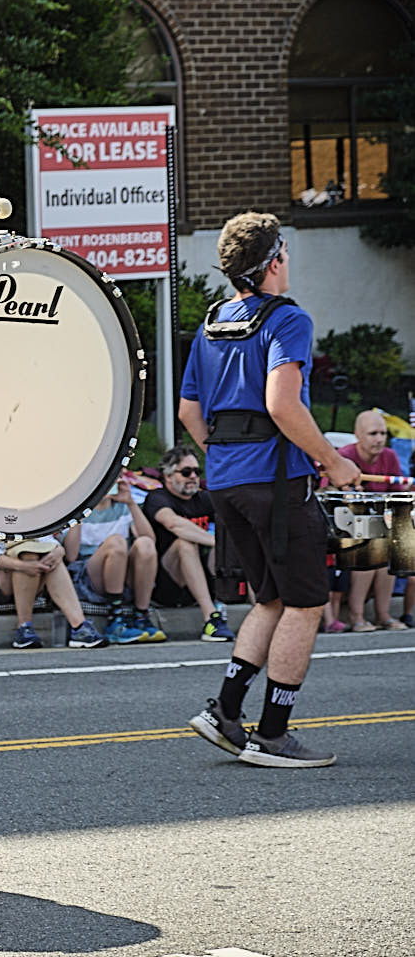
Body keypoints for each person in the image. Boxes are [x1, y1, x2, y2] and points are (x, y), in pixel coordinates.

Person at [182, 211, 359, 769]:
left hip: (226, 482)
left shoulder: (212, 323)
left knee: (271, 599)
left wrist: (226, 455)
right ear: (275, 260)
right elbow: (283, 404)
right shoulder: (288, 319)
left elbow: (189, 412)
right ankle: (274, 736)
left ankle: (225, 713)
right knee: (306, 605)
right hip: (277, 483)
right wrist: (333, 461)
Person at [144, 446, 233, 641]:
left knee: (235, 534)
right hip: (166, 584)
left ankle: (263, 606)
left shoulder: (204, 499)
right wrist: (217, 542)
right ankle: (211, 618)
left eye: (197, 472)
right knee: (185, 543)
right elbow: (173, 523)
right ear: (168, 476)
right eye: (186, 472)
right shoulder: (157, 498)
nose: (193, 476)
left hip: (203, 576)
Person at [0, 536, 109, 649]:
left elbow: (44, 537)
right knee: (27, 554)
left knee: (51, 559)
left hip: (25, 572)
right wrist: (22, 565)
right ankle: (24, 627)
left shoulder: (24, 509)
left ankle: (79, 626)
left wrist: (58, 551)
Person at [332, 410, 408, 632]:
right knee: (368, 552)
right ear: (358, 435)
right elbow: (329, 493)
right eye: (373, 433)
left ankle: (383, 615)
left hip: (379, 523)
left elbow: (396, 494)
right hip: (345, 525)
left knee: (388, 553)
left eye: (383, 433)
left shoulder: (389, 456)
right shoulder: (344, 456)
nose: (379, 439)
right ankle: (356, 616)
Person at [62, 476, 162, 644]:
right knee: (116, 542)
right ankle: (115, 619)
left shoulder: (123, 507)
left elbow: (150, 541)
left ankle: (142, 616)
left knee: (144, 544)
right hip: (89, 577)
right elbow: (71, 555)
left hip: (122, 575)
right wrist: (81, 508)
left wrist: (130, 503)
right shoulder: (76, 510)